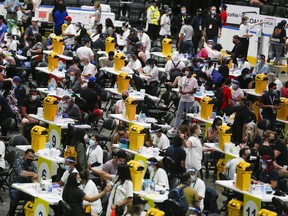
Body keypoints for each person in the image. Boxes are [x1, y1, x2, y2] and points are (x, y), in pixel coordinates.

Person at [168, 66, 198, 133]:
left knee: (188, 115)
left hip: (190, 99)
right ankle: (175, 127)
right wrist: (181, 91)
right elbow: (180, 87)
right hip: (183, 98)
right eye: (186, 70)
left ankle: (188, 129)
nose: (186, 72)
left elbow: (194, 90)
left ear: (191, 72)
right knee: (179, 113)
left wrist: (187, 92)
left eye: (188, 70)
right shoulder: (182, 78)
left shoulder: (194, 80)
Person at [9, 149, 37, 216]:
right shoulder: (18, 162)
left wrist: (34, 182)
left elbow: (35, 177)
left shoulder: (32, 165)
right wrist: (32, 174)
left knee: (35, 198)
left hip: (27, 189)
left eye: (32, 157)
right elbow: (21, 173)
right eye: (29, 156)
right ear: (25, 155)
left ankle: (25, 213)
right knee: (15, 196)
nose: (31, 158)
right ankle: (11, 213)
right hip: (15, 188)